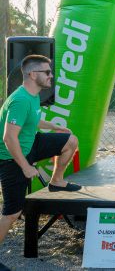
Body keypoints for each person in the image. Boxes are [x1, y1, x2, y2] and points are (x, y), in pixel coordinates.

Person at [0, 55, 81, 251]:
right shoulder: (20, 100)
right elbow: (9, 138)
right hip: (12, 158)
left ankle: (57, 181)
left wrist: (54, 126)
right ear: (32, 74)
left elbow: (33, 120)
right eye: (47, 72)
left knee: (70, 140)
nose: (51, 76)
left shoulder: (33, 95)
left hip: (30, 144)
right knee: (12, 213)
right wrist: (26, 167)